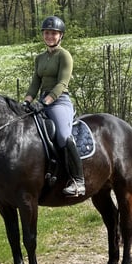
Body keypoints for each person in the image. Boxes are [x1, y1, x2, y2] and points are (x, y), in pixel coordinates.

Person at [24, 16, 85, 196]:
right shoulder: (39, 58)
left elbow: (62, 83)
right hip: (42, 102)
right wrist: (26, 101)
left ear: (60, 36)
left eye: (53, 33)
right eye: (47, 33)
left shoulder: (64, 55)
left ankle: (78, 180)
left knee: (63, 136)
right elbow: (35, 83)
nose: (50, 36)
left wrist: (45, 102)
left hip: (59, 102)